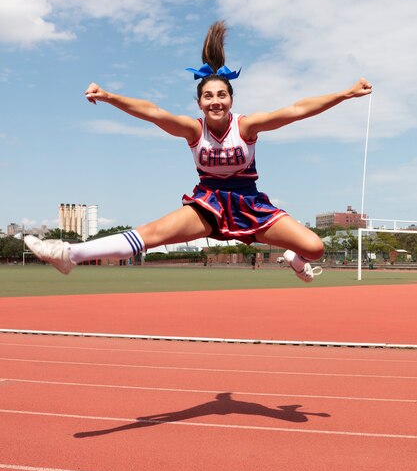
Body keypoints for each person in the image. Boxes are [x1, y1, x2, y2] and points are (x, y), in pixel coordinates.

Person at [25, 21, 372, 282]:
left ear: (231, 100)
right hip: (208, 203)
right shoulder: (194, 130)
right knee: (152, 235)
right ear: (200, 102)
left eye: (222, 95)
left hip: (250, 204)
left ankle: (294, 261)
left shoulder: (246, 127)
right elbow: (152, 112)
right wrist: (109, 95)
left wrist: (344, 93)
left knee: (314, 248)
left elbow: (297, 109)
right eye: (209, 96)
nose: (216, 101)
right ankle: (69, 253)